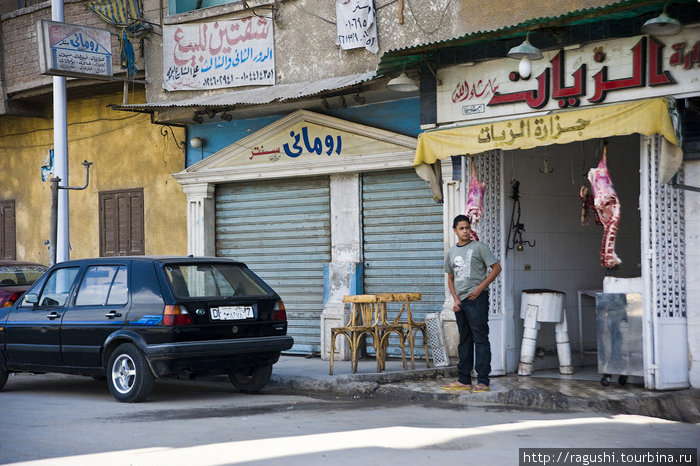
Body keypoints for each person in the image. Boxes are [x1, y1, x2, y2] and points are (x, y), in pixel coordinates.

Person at [442, 214, 502, 392]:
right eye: (462, 228)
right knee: (464, 341)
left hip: (477, 299)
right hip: (460, 303)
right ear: (455, 231)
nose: (466, 231)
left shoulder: (479, 247)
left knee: (480, 339)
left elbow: (496, 268)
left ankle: (483, 380)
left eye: (467, 228)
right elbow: (450, 278)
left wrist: (480, 288)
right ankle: (464, 380)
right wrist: (455, 299)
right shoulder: (451, 252)